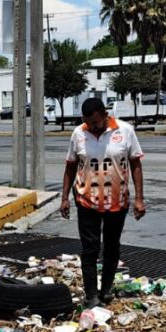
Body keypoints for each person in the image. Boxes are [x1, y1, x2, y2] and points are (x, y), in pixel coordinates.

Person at [60, 98, 147, 308]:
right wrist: (64, 198)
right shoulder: (78, 133)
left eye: (96, 123)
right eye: (88, 123)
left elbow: (135, 164)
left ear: (105, 115)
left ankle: (106, 289)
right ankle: (91, 295)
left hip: (117, 202)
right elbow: (71, 166)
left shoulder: (125, 131)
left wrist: (139, 198)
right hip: (86, 201)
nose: (92, 127)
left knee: (112, 247)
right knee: (89, 249)